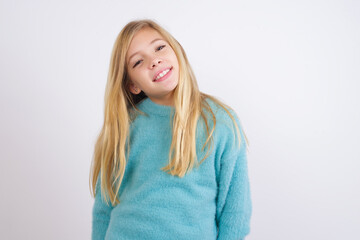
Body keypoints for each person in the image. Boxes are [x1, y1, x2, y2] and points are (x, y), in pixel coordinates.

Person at [89, 19, 252, 240]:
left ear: (176, 50)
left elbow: (235, 213)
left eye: (159, 47)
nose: (154, 61)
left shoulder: (220, 122)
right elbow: (103, 208)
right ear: (132, 85)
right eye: (138, 62)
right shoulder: (124, 127)